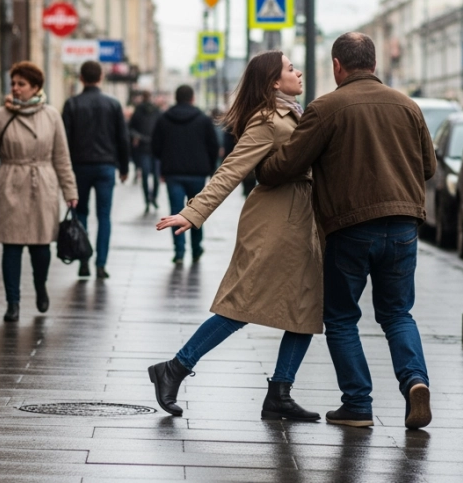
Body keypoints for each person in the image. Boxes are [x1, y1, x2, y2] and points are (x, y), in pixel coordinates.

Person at [258, 32, 436, 431]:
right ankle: (415, 381)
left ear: (338, 66)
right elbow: (428, 168)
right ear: (373, 63)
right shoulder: (408, 106)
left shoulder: (327, 107)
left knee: (340, 318)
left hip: (351, 227)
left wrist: (261, 167)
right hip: (404, 226)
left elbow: (286, 164)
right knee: (396, 314)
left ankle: (357, 403)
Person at [150, 52, 321, 422]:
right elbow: (230, 170)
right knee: (240, 305)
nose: (298, 72)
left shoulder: (295, 112)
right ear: (274, 82)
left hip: (302, 222)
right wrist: (193, 213)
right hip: (272, 224)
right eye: (291, 68)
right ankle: (174, 368)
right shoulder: (267, 120)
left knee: (305, 310)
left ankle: (280, 393)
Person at [0, 62, 78, 323]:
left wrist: (69, 190)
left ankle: (40, 286)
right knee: (12, 245)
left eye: (21, 84)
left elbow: (61, 156)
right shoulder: (0, 115)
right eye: (13, 84)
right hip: (10, 182)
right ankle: (13, 302)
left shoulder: (51, 115)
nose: (15, 89)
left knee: (41, 247)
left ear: (36, 87)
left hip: (43, 184)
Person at [62, 60, 130, 279]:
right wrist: (124, 167)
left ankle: (84, 260)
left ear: (81, 78)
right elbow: (122, 138)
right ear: (100, 77)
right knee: (104, 216)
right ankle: (101, 264)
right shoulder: (113, 104)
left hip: (79, 167)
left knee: (80, 213)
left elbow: (64, 141)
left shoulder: (72, 104)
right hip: (105, 167)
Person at [151, 85, 220, 264]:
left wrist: (165, 163)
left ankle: (179, 252)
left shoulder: (164, 118)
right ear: (192, 99)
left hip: (173, 173)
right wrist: (210, 168)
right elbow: (213, 146)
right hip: (197, 173)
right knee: (197, 211)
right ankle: (196, 249)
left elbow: (155, 146)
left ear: (176, 97)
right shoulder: (203, 120)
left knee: (175, 212)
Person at [129, 91, 162, 213]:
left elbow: (130, 128)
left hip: (145, 148)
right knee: (153, 176)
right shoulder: (157, 112)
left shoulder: (138, 111)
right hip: (152, 148)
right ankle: (152, 198)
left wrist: (137, 136)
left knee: (146, 175)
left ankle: (149, 199)